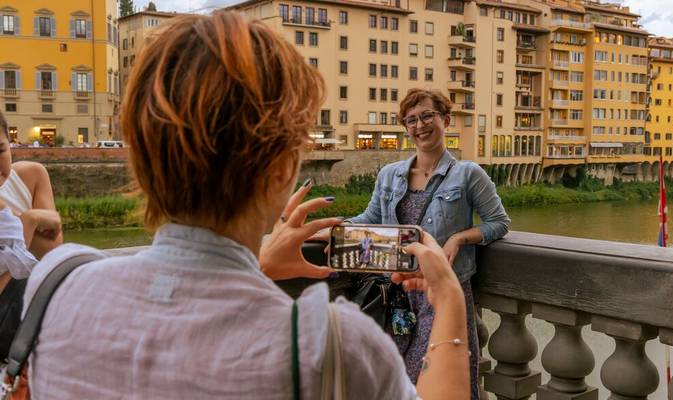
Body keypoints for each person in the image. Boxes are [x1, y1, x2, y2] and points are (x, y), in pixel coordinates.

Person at [22, 12, 469, 399]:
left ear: (140, 155)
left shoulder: (54, 283)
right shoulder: (331, 347)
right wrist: (448, 299)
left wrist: (257, 265)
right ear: (279, 172)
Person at [348, 88, 511, 399]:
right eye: (411, 120)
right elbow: (370, 218)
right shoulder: (389, 175)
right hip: (398, 294)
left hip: (443, 292)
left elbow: (499, 222)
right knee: (398, 376)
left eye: (426, 116)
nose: (419, 125)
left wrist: (459, 238)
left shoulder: (467, 174)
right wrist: (333, 229)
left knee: (442, 373)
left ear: (445, 120)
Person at [0, 110, 62, 260]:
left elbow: (52, 253)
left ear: (10, 145)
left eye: (0, 150)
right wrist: (29, 220)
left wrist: (27, 218)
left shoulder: (32, 176)